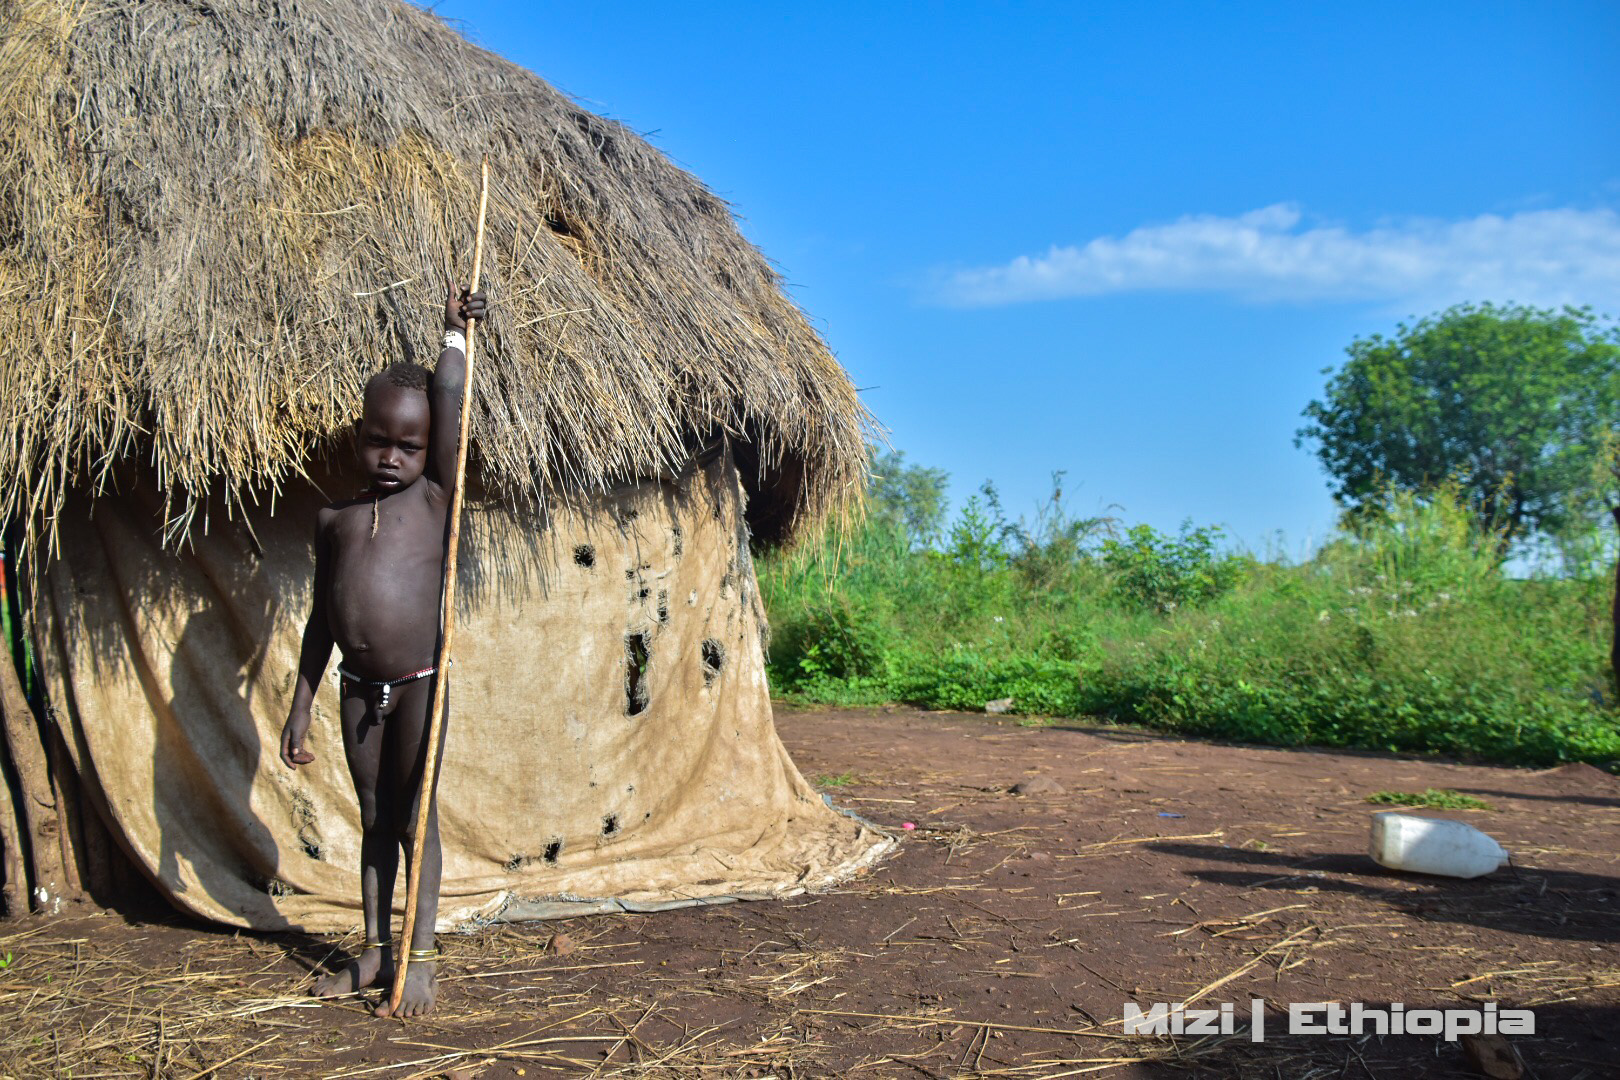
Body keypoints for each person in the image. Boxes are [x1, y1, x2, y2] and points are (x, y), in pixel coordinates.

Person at [278, 283, 486, 1017]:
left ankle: (421, 960)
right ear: (358, 433)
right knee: (373, 819)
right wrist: (300, 706)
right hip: (358, 686)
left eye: (410, 444)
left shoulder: (435, 498)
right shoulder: (334, 519)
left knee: (413, 819)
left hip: (421, 680)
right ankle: (373, 951)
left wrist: (453, 337)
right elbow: (319, 619)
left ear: (429, 450)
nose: (392, 456)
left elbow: (452, 407)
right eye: (378, 439)